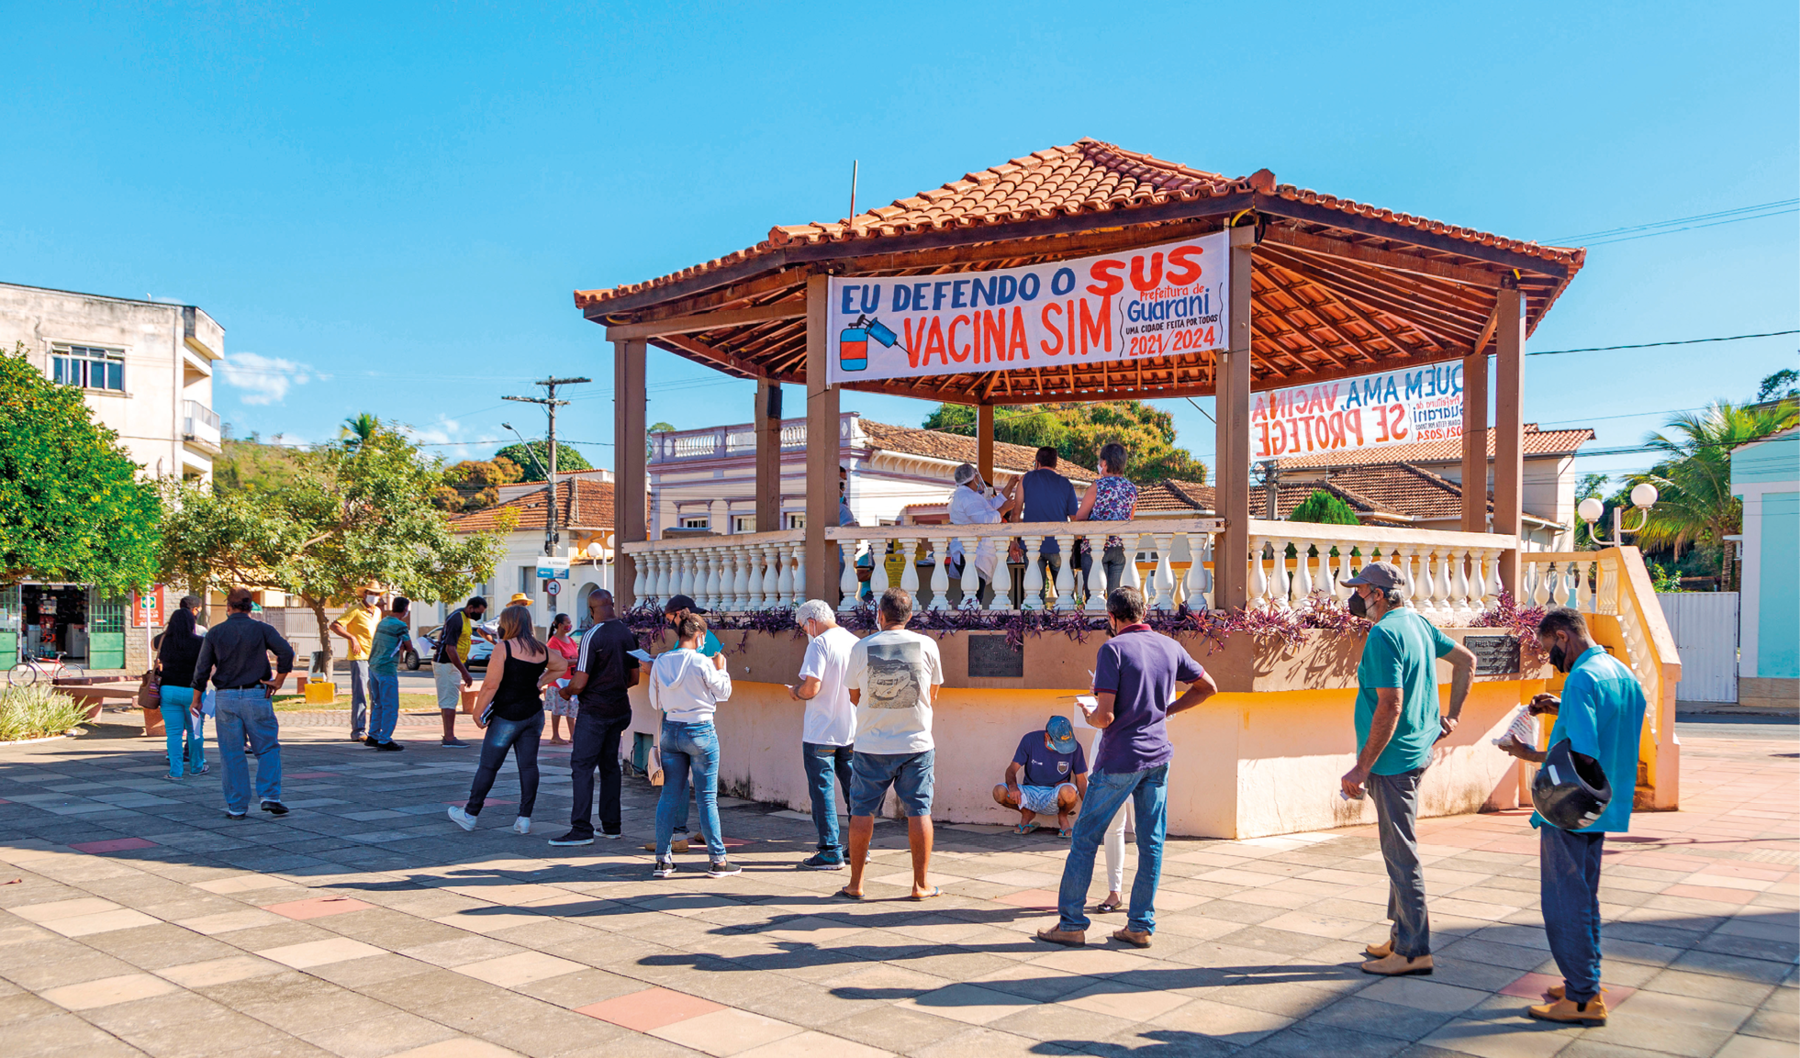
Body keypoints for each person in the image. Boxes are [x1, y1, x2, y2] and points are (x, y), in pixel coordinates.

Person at [1038, 586, 1218, 948]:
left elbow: (1105, 716)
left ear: (1113, 617)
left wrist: (1090, 712)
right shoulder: (1169, 646)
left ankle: (1071, 923)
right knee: (1151, 843)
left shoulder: (1113, 649)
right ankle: (1140, 925)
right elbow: (1208, 687)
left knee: (1085, 838)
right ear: (1144, 612)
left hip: (1120, 758)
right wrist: (1168, 710)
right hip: (1157, 757)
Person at [1498, 607, 1646, 1026]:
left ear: (1563, 636)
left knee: (1564, 901)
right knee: (1584, 897)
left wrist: (1528, 754)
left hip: (1568, 806)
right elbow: (1605, 724)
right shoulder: (1618, 671)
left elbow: (1581, 754)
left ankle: (1582, 998)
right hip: (1604, 804)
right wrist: (1561, 708)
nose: (1551, 660)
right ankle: (1585, 981)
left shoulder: (1581, 678)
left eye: (1549, 650)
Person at [1339, 561, 1477, 977]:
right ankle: (1401, 935)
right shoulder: (1416, 623)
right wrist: (1451, 717)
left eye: (1361, 589)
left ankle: (1415, 950)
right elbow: (1467, 661)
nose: (1356, 597)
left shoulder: (1383, 633)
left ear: (1378, 594)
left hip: (1393, 761)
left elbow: (1390, 704)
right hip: (1416, 753)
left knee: (1401, 853)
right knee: (1397, 847)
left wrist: (1362, 768)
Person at [839, 587, 944, 901]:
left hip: (872, 743)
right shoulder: (927, 645)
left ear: (880, 615)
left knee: (861, 812)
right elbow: (934, 694)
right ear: (910, 616)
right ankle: (920, 885)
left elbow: (854, 696)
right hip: (916, 743)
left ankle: (855, 883)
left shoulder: (862, 647)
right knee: (919, 811)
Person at [448, 604, 565, 835]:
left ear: (507, 624)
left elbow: (490, 685)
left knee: (489, 765)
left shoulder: (503, 648)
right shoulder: (540, 649)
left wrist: (477, 712)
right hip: (533, 714)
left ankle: (470, 814)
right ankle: (524, 818)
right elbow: (561, 665)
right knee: (529, 765)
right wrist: (540, 681)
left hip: (506, 716)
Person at [648, 611, 740, 879]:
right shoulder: (702, 662)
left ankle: (662, 861)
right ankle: (718, 861)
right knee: (706, 798)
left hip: (671, 730)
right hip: (700, 730)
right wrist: (722, 668)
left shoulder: (661, 662)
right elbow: (723, 694)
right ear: (699, 636)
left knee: (669, 796)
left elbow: (656, 704)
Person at [191, 587, 296, 819]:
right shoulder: (262, 629)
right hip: (257, 694)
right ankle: (270, 796)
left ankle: (237, 806)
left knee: (231, 752)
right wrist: (278, 680)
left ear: (228, 607)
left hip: (226, 697)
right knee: (267, 747)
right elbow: (286, 652)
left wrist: (197, 698)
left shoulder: (216, 633)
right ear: (250, 607)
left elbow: (202, 668)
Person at [551, 590, 640, 846]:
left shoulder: (592, 635)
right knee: (610, 767)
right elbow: (634, 679)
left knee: (582, 768)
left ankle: (581, 829)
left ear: (591, 610)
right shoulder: (627, 633)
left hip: (595, 711)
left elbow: (579, 683)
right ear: (612, 605)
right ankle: (611, 826)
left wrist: (566, 691)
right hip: (620, 709)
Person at [639, 594, 725, 853]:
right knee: (705, 796)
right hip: (698, 723)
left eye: (669, 618)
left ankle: (670, 845)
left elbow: (688, 675)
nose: (668, 623)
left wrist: (654, 669)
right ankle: (715, 855)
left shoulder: (700, 640)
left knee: (672, 791)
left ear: (681, 615)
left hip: (674, 721)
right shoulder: (699, 640)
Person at [786, 599, 859, 870]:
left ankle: (830, 850)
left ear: (812, 622)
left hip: (821, 732)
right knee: (855, 790)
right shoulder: (854, 641)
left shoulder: (819, 644)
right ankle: (859, 845)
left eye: (803, 626)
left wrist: (795, 691)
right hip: (850, 728)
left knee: (822, 791)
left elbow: (811, 687)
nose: (805, 631)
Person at [994, 714, 1088, 836]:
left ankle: (1063, 819)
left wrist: (1089, 808)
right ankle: (1026, 814)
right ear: (1047, 736)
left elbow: (1081, 780)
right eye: (1058, 743)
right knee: (999, 791)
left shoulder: (1075, 747)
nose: (1062, 749)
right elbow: (1011, 769)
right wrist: (1012, 787)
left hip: (1055, 792)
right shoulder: (1030, 740)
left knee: (1069, 792)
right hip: (1030, 791)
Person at [947, 463, 1018, 606]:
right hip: (973, 553)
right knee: (973, 593)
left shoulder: (969, 496)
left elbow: (991, 505)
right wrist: (1003, 510)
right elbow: (984, 521)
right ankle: (968, 622)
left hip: (973, 553)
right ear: (973, 478)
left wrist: (1010, 485)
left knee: (971, 592)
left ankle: (968, 620)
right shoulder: (967, 497)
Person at [1075, 442, 1139, 594]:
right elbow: (1130, 518)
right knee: (1115, 599)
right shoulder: (1131, 488)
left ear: (1104, 463)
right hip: (1120, 547)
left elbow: (1080, 517)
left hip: (1096, 546)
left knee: (1095, 597)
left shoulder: (1098, 486)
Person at [1019, 446, 1081, 600]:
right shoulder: (1066, 484)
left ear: (1037, 462)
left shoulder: (1026, 479)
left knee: (1034, 594)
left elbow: (1015, 511)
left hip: (1032, 543)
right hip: (1059, 545)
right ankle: (1068, 622)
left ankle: (1035, 623)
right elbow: (1074, 517)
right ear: (1055, 464)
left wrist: (1015, 541)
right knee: (1065, 593)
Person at [156, 596, 206, 781]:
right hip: (192, 692)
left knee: (173, 733)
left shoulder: (163, 641)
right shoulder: (199, 642)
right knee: (195, 731)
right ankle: (197, 766)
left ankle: (175, 772)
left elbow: (155, 641)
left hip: (168, 690)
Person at [328, 581, 382, 743]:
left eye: (377, 594)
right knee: (360, 694)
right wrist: (352, 638)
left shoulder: (378, 611)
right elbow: (335, 625)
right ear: (365, 594)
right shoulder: (355, 609)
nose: (374, 596)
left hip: (375, 657)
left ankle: (374, 730)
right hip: (359, 657)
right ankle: (358, 730)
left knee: (376, 695)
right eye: (371, 593)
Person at [433, 595, 491, 748]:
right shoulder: (457, 619)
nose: (479, 616)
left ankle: (449, 735)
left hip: (453, 665)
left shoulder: (463, 618)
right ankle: (449, 737)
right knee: (449, 700)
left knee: (450, 699)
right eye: (478, 612)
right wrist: (465, 672)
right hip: (446, 664)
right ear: (470, 607)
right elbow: (450, 648)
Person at [365, 596, 411, 751]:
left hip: (373, 666)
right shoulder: (400, 626)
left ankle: (373, 735)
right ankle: (385, 739)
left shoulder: (382, 622)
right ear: (405, 609)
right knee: (390, 705)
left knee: (378, 703)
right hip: (387, 668)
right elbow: (409, 646)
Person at [545, 613, 581, 746]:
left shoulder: (570, 640)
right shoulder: (553, 642)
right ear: (560, 625)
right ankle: (555, 735)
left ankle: (573, 735)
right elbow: (560, 662)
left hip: (571, 680)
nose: (570, 625)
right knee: (558, 709)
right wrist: (576, 660)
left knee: (572, 708)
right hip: (558, 681)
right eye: (567, 622)